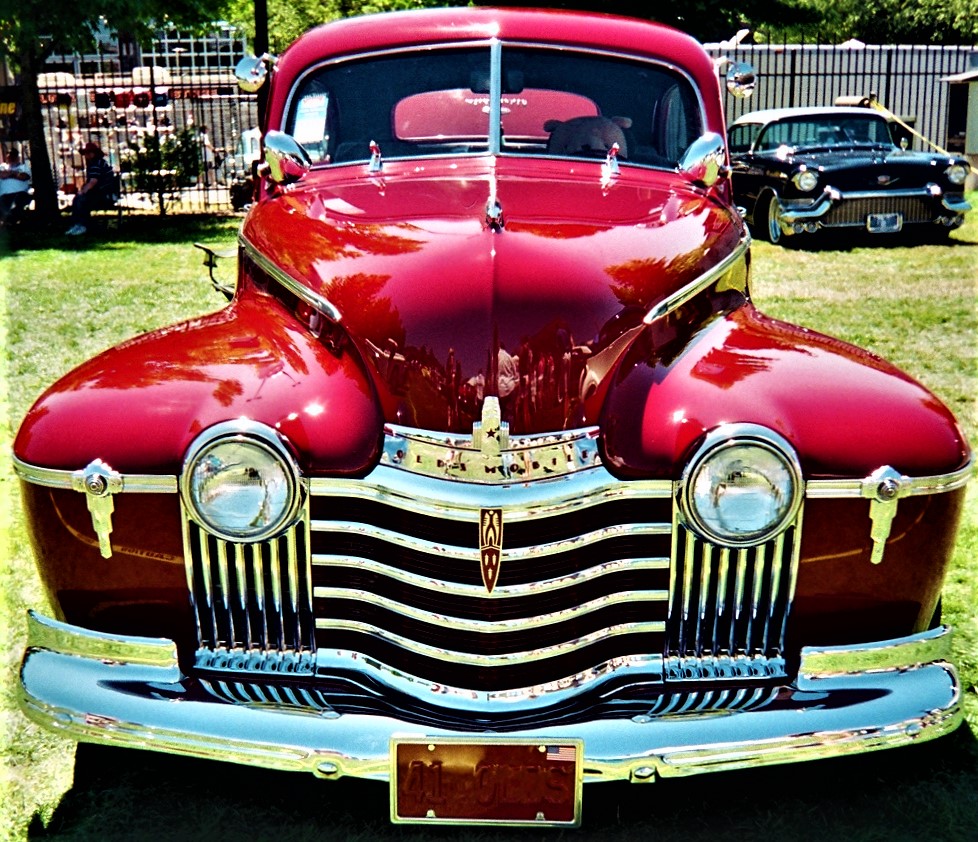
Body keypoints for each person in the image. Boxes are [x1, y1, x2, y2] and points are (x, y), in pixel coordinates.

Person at [66, 142, 118, 236]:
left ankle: (81, 225)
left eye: (89, 153)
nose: (87, 155)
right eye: (86, 153)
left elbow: (93, 181)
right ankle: (78, 224)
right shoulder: (99, 162)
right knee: (79, 199)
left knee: (80, 200)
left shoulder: (96, 164)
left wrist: (83, 191)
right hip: (105, 193)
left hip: (104, 195)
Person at [0, 146, 32, 227]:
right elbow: (2, 175)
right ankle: (8, 221)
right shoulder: (2, 166)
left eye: (13, 157)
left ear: (17, 157)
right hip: (4, 195)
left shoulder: (24, 167)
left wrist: (9, 174)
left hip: (20, 193)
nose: (11, 159)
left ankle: (10, 221)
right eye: (9, 157)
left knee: (17, 202)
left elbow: (24, 177)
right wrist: (15, 174)